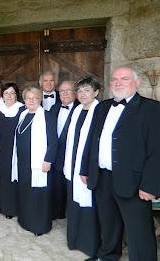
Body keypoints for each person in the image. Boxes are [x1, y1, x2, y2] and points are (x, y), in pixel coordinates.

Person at [81, 66, 160, 261]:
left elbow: (159, 151)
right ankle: (108, 256)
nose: (118, 83)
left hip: (135, 182)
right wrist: (85, 168)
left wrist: (149, 185)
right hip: (102, 177)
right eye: (114, 79)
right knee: (108, 224)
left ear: (137, 83)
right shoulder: (103, 107)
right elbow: (92, 140)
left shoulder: (154, 109)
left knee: (139, 231)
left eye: (124, 79)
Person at [63, 76, 100, 259]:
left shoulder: (99, 111)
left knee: (88, 205)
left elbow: (96, 144)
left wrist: (86, 169)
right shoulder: (77, 110)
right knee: (74, 203)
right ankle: (74, 239)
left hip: (88, 168)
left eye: (87, 90)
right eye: (80, 91)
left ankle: (89, 244)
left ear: (96, 92)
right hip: (73, 164)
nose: (82, 94)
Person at [11, 87, 57, 235]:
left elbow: (53, 141)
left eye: (34, 98)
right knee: (25, 191)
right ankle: (25, 220)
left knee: (38, 193)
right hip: (23, 162)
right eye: (28, 98)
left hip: (39, 163)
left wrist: (48, 160)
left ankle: (39, 225)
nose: (31, 101)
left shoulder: (47, 116)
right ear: (24, 100)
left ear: (39, 99)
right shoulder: (23, 114)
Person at [0, 82, 24, 219]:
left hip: (19, 149)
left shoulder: (23, 109)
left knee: (19, 177)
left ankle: (19, 206)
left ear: (16, 94)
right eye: (6, 93)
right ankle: (7, 208)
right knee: (5, 177)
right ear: (2, 95)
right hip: (2, 149)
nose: (9, 95)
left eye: (12, 93)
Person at [50, 81, 79, 219]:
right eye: (62, 91)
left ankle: (74, 215)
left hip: (74, 156)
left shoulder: (81, 109)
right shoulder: (54, 108)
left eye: (68, 90)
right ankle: (58, 212)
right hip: (56, 155)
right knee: (57, 186)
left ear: (75, 92)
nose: (65, 93)